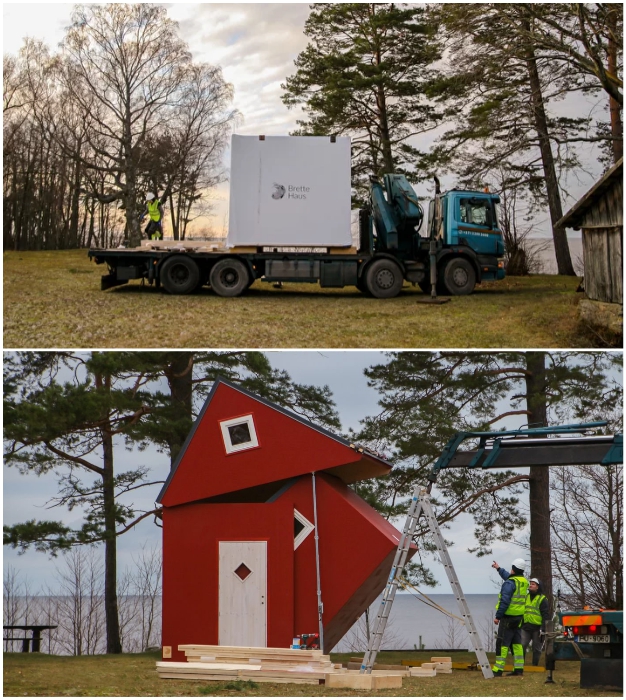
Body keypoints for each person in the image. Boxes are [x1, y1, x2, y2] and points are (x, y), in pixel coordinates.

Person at [490, 557, 529, 677]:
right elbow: (509, 577)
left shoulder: (510, 583)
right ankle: (518, 669)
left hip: (507, 618)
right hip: (519, 618)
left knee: (502, 643)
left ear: (513, 569)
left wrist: (498, 616)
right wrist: (498, 569)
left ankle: (498, 670)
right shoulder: (523, 581)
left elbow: (505, 601)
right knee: (516, 643)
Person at [521, 577, 549, 667]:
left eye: (533, 584)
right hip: (525, 627)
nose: (530, 585)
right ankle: (520, 664)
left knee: (536, 648)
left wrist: (543, 628)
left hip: (537, 628)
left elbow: (545, 615)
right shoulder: (526, 597)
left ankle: (535, 665)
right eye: (530, 584)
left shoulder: (542, 599)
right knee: (522, 645)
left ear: (538, 587)